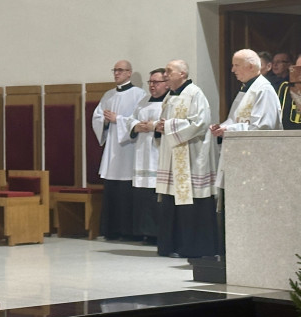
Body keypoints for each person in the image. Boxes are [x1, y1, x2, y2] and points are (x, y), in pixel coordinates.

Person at [154, 59, 218, 258]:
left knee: (192, 202)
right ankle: (170, 245)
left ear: (182, 74)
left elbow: (200, 122)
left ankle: (193, 247)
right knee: (171, 201)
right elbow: (165, 123)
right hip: (172, 157)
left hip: (191, 156)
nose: (165, 74)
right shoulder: (170, 97)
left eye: (169, 71)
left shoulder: (195, 94)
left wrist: (168, 126)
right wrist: (159, 126)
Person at [211, 49, 282, 189]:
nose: (232, 70)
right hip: (241, 156)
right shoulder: (247, 89)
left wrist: (229, 129)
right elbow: (235, 119)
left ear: (250, 66)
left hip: (258, 159)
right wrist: (221, 128)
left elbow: (262, 128)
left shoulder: (263, 90)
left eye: (236, 65)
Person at [91, 60, 147, 240]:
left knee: (127, 190)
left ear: (129, 73)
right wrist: (105, 121)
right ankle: (111, 230)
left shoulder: (139, 95)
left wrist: (118, 119)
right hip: (113, 149)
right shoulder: (108, 95)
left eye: (121, 70)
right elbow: (97, 117)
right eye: (115, 70)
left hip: (129, 147)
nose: (117, 73)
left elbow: (139, 120)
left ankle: (131, 232)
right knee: (113, 189)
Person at [124, 68, 168, 244]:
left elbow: (168, 123)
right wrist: (136, 126)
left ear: (166, 84)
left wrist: (153, 126)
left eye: (156, 82)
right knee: (143, 195)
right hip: (142, 152)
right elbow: (130, 119)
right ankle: (145, 232)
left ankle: (158, 233)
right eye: (150, 82)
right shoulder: (143, 101)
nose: (152, 86)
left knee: (156, 195)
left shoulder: (169, 102)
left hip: (158, 152)